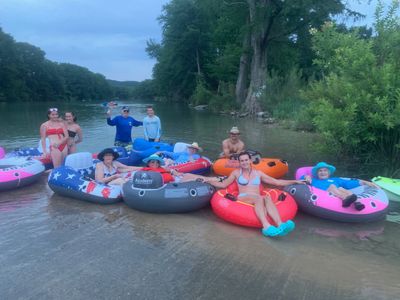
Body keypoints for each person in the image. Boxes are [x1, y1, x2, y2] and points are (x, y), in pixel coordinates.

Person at [207, 151, 305, 237]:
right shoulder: (236, 173)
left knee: (267, 198)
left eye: (246, 160)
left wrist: (295, 181)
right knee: (259, 198)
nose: (244, 162)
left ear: (250, 161)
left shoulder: (258, 173)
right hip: (243, 197)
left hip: (257, 197)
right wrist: (209, 181)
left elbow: (276, 182)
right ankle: (266, 226)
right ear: (239, 162)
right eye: (242, 161)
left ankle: (280, 224)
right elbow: (224, 184)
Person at [303, 162, 378, 211]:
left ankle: (357, 203)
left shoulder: (335, 179)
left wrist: (364, 182)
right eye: (320, 171)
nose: (323, 172)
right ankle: (346, 199)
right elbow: (300, 180)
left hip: (337, 193)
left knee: (341, 188)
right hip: (323, 196)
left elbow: (348, 183)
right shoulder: (313, 180)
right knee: (332, 186)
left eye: (325, 170)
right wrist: (306, 176)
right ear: (317, 173)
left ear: (329, 173)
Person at [141, 154, 210, 183]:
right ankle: (207, 181)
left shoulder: (161, 168)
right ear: (148, 163)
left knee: (187, 175)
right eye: (153, 162)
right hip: (172, 182)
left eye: (157, 162)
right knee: (189, 178)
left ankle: (211, 179)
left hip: (175, 177)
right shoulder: (147, 171)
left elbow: (170, 170)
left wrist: (175, 173)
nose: (155, 164)